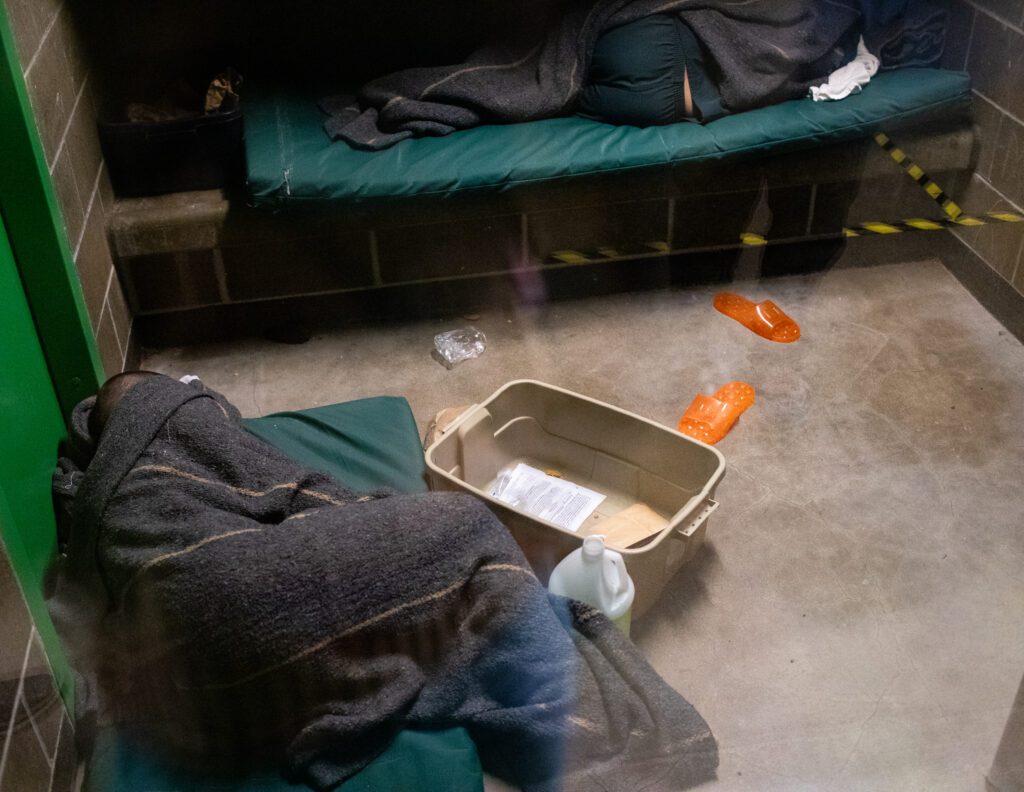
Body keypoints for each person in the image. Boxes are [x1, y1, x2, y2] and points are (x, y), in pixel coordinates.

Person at [52, 372, 719, 791]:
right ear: (162, 402)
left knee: (432, 579)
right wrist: (368, 520)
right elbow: (299, 491)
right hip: (216, 588)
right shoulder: (177, 424)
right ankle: (576, 724)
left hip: (186, 660)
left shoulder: (107, 497)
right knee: (464, 530)